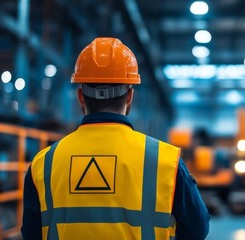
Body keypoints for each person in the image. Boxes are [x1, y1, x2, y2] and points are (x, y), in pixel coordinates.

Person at [22, 37, 210, 240]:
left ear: (81, 97)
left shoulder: (44, 164)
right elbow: (197, 230)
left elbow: (31, 233)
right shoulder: (166, 161)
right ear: (129, 96)